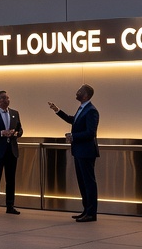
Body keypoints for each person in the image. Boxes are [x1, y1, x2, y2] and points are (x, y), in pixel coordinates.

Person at [48, 84, 100, 222]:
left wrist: (74, 137)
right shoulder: (83, 108)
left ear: (86, 95)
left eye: (80, 91)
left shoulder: (91, 111)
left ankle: (91, 213)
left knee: (88, 182)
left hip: (86, 152)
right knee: (82, 182)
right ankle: (86, 210)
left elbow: (90, 132)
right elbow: (73, 120)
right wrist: (57, 110)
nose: (77, 92)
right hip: (79, 151)